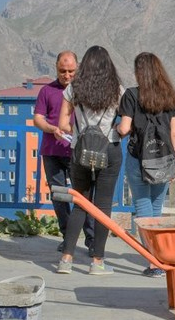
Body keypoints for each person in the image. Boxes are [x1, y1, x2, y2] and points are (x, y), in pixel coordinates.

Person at [56, 45, 125, 275]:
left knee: (80, 204)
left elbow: (63, 123)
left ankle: (66, 260)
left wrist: (78, 130)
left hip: (80, 151)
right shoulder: (118, 91)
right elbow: (124, 127)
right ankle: (97, 262)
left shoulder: (73, 89)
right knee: (103, 206)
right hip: (110, 149)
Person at [117, 52, 175, 278]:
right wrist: (173, 164)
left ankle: (154, 263)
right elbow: (174, 134)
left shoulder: (132, 95)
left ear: (138, 72)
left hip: (139, 159)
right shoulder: (170, 97)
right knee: (156, 210)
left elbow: (124, 128)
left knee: (143, 210)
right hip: (164, 159)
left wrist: (115, 131)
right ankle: (160, 258)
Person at [32, 50, 95, 254]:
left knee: (83, 196)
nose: (67, 75)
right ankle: (68, 238)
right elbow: (38, 118)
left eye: (71, 71)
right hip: (52, 151)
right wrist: (52, 129)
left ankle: (92, 238)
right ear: (56, 69)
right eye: (62, 71)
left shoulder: (85, 91)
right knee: (58, 196)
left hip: (78, 151)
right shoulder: (46, 91)